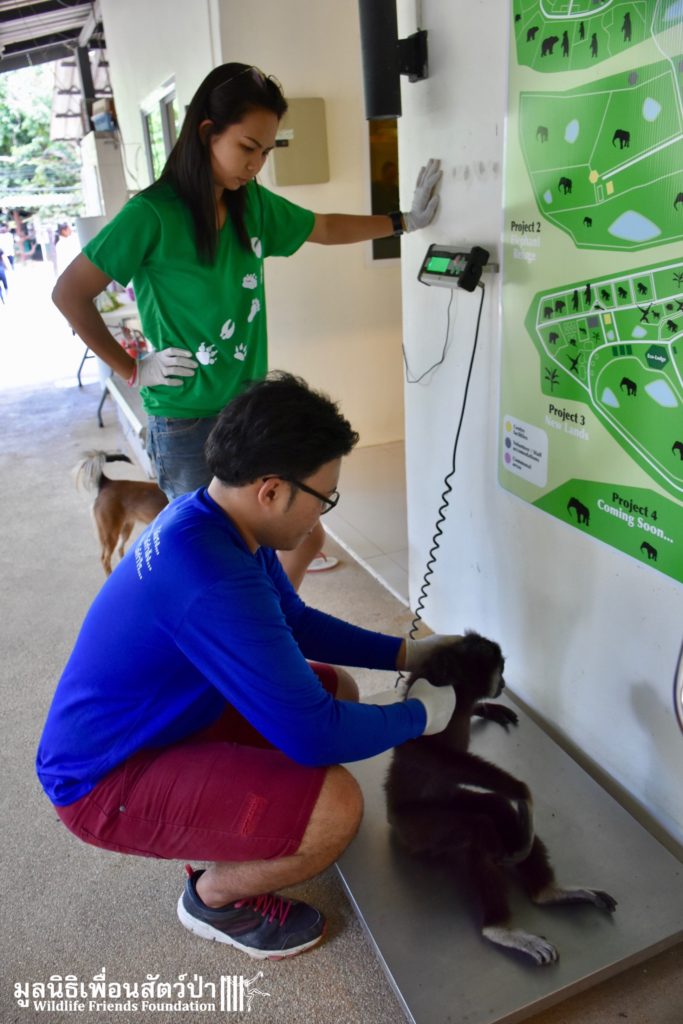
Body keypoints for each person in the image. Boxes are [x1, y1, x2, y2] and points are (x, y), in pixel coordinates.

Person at [36, 372, 459, 961]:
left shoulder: (208, 517)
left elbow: (295, 621)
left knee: (335, 686)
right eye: (323, 497)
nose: (321, 515)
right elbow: (315, 737)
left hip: (158, 722)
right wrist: (421, 717)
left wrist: (405, 654)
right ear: (271, 491)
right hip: (101, 781)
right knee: (336, 809)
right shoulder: (211, 576)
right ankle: (212, 899)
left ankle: (232, 810)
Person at [52, 62, 442, 587]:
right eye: (247, 147)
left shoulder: (249, 204)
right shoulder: (153, 213)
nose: (256, 165)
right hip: (187, 420)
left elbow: (323, 227)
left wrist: (404, 221)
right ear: (206, 133)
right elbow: (69, 292)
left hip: (250, 413)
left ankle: (277, 622)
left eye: (267, 151)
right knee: (210, 565)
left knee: (302, 538)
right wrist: (133, 368)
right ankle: (230, 637)